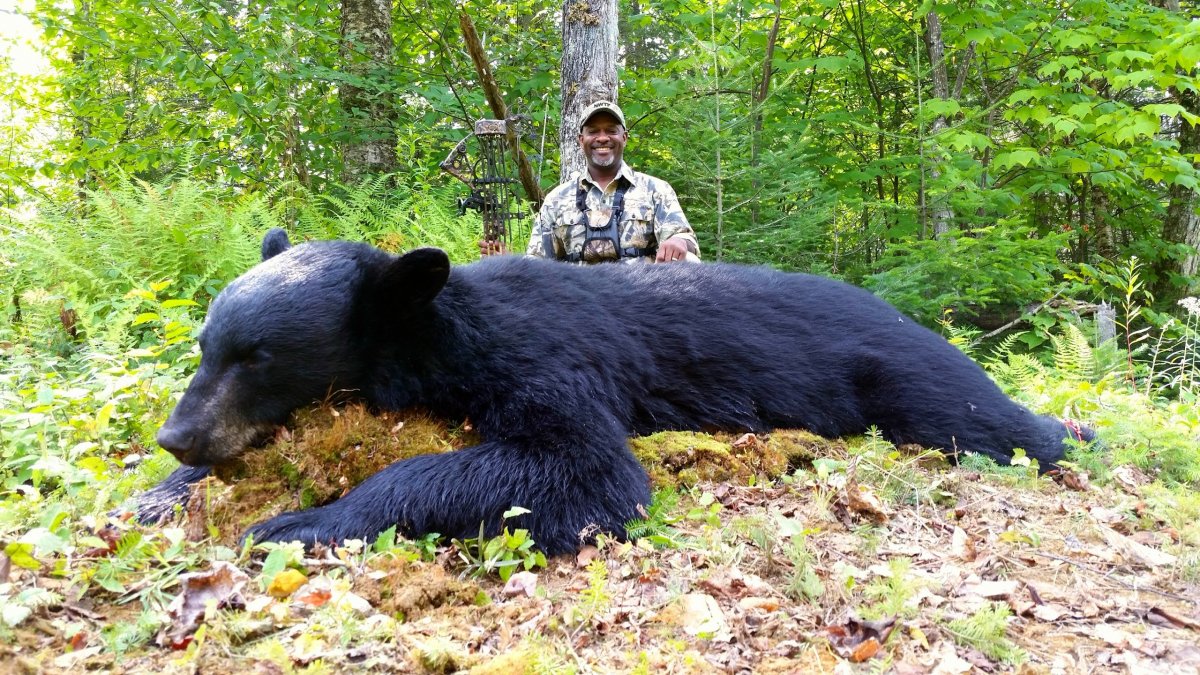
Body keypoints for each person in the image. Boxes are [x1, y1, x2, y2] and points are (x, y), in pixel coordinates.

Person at [479, 100, 700, 264]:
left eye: (611, 131)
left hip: (639, 302)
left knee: (689, 261)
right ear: (581, 140)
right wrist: (508, 263)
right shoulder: (557, 199)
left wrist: (679, 242)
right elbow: (537, 265)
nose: (602, 138)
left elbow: (684, 239)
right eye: (593, 131)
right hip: (579, 306)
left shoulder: (655, 190)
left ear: (624, 137)